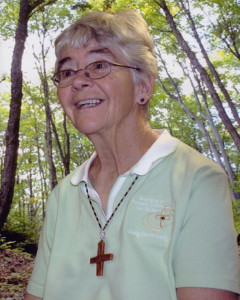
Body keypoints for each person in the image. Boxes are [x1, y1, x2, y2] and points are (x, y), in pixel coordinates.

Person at [25, 10, 240, 300]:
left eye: (99, 64)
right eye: (67, 72)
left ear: (144, 86)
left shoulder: (197, 180)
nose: (78, 81)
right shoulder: (63, 196)